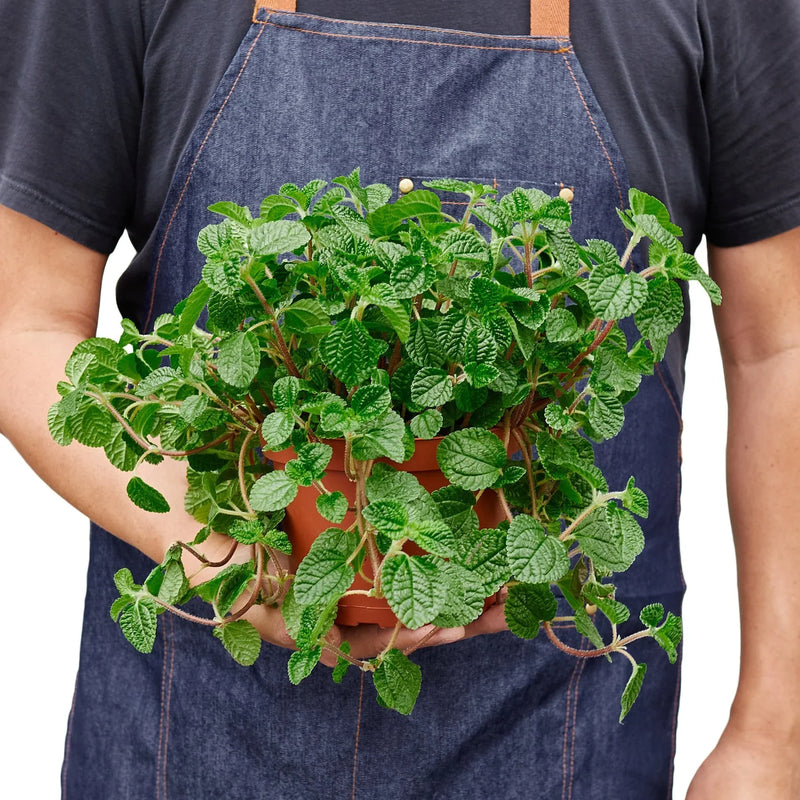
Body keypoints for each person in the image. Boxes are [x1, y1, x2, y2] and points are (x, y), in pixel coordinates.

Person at [1, 0, 799, 797]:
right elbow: (20, 323)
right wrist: (228, 554)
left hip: (561, 729)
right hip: (196, 733)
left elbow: (781, 348)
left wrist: (773, 737)